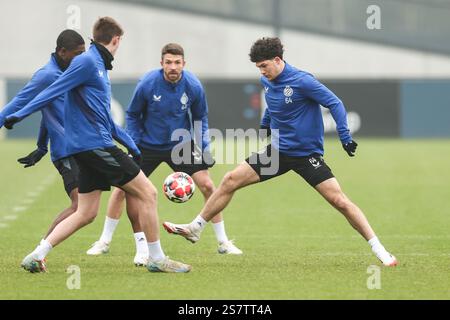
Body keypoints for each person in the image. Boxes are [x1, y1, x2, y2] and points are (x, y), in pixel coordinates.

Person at [162, 37, 398, 267]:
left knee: (339, 201)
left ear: (277, 59)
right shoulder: (268, 80)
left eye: (264, 66)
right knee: (230, 179)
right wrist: (265, 122)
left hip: (307, 156)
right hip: (278, 152)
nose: (262, 71)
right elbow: (272, 102)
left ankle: (379, 249)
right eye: (258, 67)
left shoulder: (302, 81)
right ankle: (196, 228)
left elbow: (334, 102)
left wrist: (345, 136)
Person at [4, 17, 191, 273]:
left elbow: (107, 121)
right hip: (94, 146)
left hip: (87, 147)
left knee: (85, 212)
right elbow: (52, 90)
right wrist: (20, 113)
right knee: (148, 193)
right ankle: (157, 258)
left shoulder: (98, 65)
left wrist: (132, 147)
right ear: (116, 40)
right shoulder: (88, 62)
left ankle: (37, 255)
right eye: (119, 42)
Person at [86, 43, 242, 262]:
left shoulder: (193, 85)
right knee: (123, 189)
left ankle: (223, 242)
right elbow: (132, 115)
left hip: (181, 143)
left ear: (183, 64)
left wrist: (203, 146)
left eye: (177, 63)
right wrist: (134, 144)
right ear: (161, 64)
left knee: (207, 185)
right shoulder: (148, 83)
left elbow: (200, 118)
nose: (173, 67)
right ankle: (104, 241)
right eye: (168, 62)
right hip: (147, 145)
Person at [0, 29, 85, 240]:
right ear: (62, 52)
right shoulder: (47, 76)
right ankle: (39, 253)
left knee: (92, 205)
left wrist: (40, 147)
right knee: (80, 207)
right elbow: (17, 104)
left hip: (82, 146)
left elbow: (51, 113)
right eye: (78, 53)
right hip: (66, 151)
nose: (82, 58)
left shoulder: (70, 74)